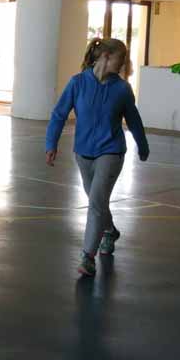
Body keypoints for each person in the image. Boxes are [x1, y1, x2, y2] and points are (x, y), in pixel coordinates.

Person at [45, 38, 149, 277]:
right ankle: (110, 231)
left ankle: (88, 257)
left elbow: (134, 120)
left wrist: (142, 145)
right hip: (83, 153)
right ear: (105, 56)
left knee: (95, 203)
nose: (123, 64)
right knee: (98, 201)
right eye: (121, 58)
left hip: (111, 151)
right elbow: (59, 114)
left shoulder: (122, 89)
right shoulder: (78, 83)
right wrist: (51, 143)